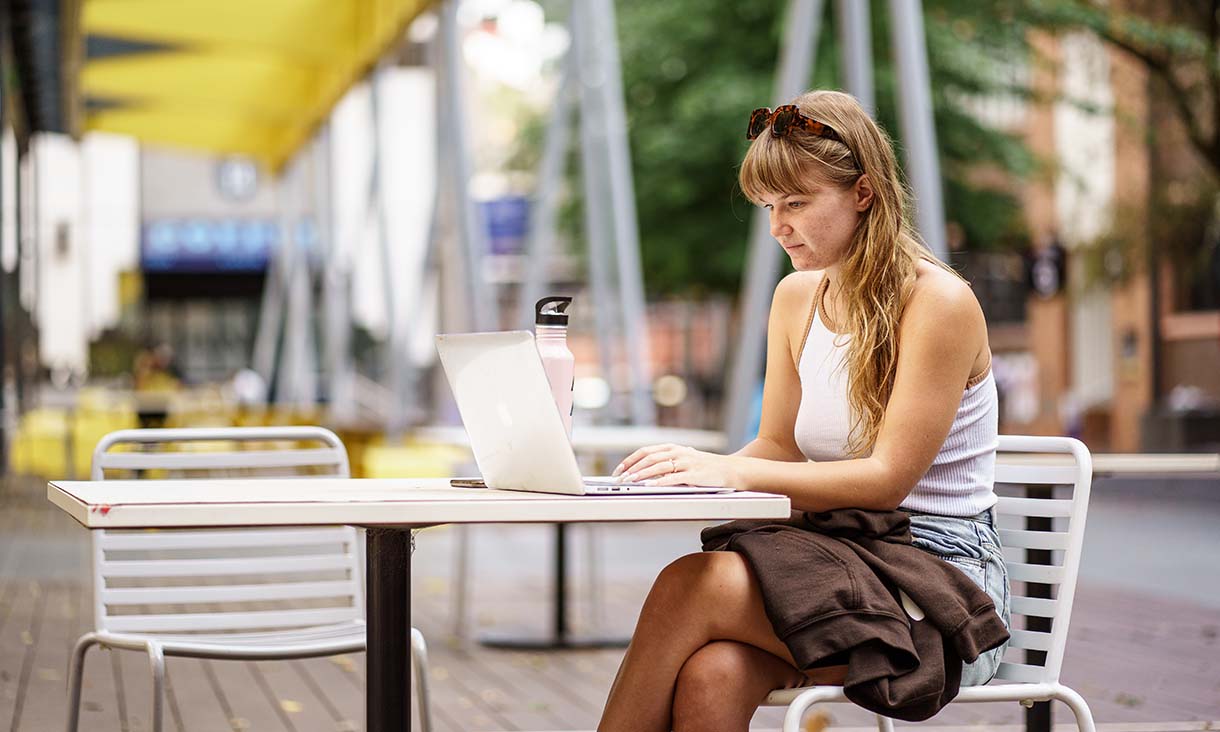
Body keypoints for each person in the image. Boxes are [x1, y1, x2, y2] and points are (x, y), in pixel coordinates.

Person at [597, 90, 1009, 731]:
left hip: (938, 582)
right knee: (715, 674)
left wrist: (730, 473)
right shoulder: (795, 297)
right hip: (835, 550)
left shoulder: (939, 303)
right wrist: (693, 473)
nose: (777, 227)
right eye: (768, 206)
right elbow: (778, 447)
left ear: (864, 193)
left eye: (796, 203)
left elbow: (886, 480)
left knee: (692, 585)